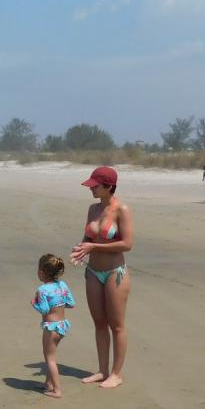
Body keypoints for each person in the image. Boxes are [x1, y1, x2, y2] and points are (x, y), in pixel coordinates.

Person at [71, 166, 133, 389]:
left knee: (117, 325)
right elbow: (87, 236)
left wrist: (94, 246)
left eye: (95, 186)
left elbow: (127, 244)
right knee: (99, 323)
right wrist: (80, 251)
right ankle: (102, 370)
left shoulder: (121, 209)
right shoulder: (92, 209)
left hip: (115, 273)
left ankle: (116, 373)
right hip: (93, 272)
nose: (91, 189)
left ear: (108, 187)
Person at [32, 253, 76, 398]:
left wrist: (35, 304)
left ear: (42, 272)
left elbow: (44, 309)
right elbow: (71, 303)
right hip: (62, 326)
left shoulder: (42, 290)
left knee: (49, 358)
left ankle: (57, 390)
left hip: (51, 327)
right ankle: (48, 383)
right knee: (51, 354)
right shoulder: (62, 285)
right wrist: (59, 303)